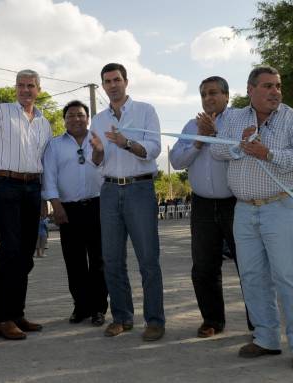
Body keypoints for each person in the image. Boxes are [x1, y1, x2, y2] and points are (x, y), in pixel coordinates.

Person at [211, 65, 293, 372]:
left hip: (281, 207)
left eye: (278, 86)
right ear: (251, 90)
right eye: (268, 86)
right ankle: (266, 338)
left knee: (288, 277)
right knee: (253, 277)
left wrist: (267, 153)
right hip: (244, 209)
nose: (275, 92)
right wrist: (238, 146)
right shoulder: (231, 118)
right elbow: (217, 152)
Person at [169, 76, 252, 338]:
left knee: (249, 264)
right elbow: (177, 161)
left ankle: (259, 323)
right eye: (203, 94)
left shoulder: (240, 121)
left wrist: (214, 135)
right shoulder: (191, 125)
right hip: (203, 205)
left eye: (214, 93)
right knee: (204, 266)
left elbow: (243, 150)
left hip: (236, 203)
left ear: (227, 96)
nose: (208, 98)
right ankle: (212, 320)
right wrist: (198, 141)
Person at [89, 63, 165, 341]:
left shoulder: (146, 111)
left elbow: (154, 149)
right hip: (109, 191)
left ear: (126, 81)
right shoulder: (97, 120)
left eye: (117, 79)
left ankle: (155, 320)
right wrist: (98, 151)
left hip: (139, 189)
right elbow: (96, 162)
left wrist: (126, 143)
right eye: (107, 81)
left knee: (148, 259)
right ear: (103, 86)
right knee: (111, 260)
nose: (113, 85)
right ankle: (122, 317)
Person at [0, 69, 52, 340]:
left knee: (25, 254)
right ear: (15, 88)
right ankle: (3, 318)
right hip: (5, 184)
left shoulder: (44, 122)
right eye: (20, 85)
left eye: (30, 85)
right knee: (9, 252)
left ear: (38, 89)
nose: (25, 90)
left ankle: (17, 313)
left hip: (33, 187)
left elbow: (45, 162)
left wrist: (45, 197)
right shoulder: (0, 111)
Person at [42, 100, 108, 326]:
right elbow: (49, 177)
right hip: (68, 209)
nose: (76, 119)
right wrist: (56, 206)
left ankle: (99, 308)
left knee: (99, 261)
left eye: (80, 115)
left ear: (87, 118)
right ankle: (81, 307)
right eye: (70, 115)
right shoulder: (54, 145)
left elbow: (106, 167)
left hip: (99, 206)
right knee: (74, 261)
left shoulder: (99, 139)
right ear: (65, 120)